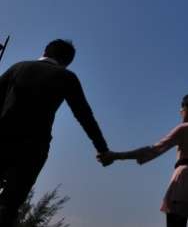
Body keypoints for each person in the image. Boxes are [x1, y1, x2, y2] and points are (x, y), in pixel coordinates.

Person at [0, 39, 111, 227]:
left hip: (2, 138)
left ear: (44, 51)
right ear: (67, 62)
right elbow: (84, 115)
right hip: (33, 148)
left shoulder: (18, 67)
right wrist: (102, 148)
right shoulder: (66, 77)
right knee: (9, 205)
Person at [99, 92, 188, 227]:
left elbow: (153, 150)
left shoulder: (185, 129)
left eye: (182, 109)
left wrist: (116, 156)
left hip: (181, 188)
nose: (180, 112)